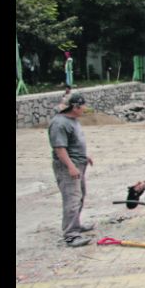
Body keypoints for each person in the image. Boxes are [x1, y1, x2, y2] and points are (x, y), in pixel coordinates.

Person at [48, 93, 95, 247]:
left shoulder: (73, 120)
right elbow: (59, 148)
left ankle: (76, 225)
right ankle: (71, 235)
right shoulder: (59, 124)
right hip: (68, 166)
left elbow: (73, 143)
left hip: (78, 162)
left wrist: (84, 156)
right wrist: (70, 166)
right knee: (72, 199)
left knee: (80, 196)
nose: (84, 109)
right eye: (82, 106)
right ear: (75, 107)